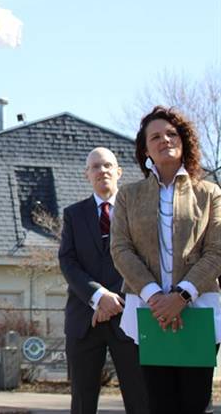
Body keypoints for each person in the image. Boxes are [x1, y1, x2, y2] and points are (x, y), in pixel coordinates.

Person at [111, 106, 221, 414]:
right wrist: (155, 296)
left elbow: (217, 251)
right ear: (145, 148)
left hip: (197, 310)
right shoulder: (128, 196)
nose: (164, 140)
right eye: (155, 136)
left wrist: (182, 295)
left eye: (171, 134)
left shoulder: (209, 193)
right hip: (148, 312)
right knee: (157, 404)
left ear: (184, 141)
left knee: (194, 404)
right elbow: (120, 249)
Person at [58, 147, 148, 414]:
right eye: (95, 167)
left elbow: (143, 258)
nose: (102, 171)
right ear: (87, 175)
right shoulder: (73, 215)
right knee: (82, 403)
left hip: (129, 316)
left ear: (119, 172)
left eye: (108, 165)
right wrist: (98, 297)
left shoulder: (137, 211)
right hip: (84, 319)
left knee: (141, 399)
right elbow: (68, 261)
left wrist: (114, 300)